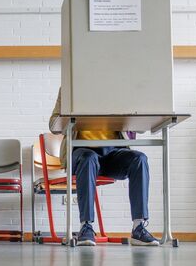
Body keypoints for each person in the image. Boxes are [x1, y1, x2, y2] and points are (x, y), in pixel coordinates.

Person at [50, 89, 159, 247]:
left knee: (139, 159)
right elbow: (53, 125)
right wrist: (71, 114)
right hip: (82, 153)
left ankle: (138, 227)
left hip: (112, 153)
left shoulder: (118, 85)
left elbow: (140, 127)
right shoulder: (70, 85)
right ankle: (86, 226)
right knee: (89, 158)